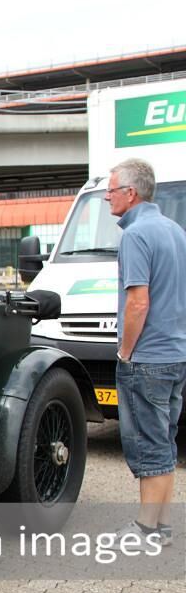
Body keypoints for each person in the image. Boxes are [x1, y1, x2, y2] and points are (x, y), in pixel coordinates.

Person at [104, 158, 186, 549]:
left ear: (130, 193)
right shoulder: (174, 230)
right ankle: (162, 527)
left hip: (147, 358)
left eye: (111, 189)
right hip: (175, 353)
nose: (106, 196)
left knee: (148, 444)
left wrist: (124, 352)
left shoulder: (136, 236)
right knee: (164, 439)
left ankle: (146, 530)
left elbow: (137, 302)